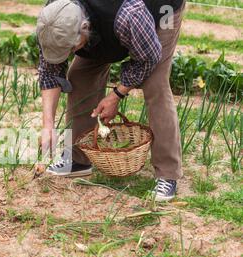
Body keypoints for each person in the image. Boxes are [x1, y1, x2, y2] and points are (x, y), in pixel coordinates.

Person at [36, 0, 186, 201]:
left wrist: (117, 94)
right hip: (107, 23)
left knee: (155, 84)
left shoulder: (129, 16)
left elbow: (148, 58)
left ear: (85, 28)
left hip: (161, 10)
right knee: (80, 75)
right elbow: (49, 72)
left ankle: (168, 173)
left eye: (71, 49)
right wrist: (48, 126)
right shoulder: (53, 18)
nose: (68, 54)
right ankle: (79, 159)